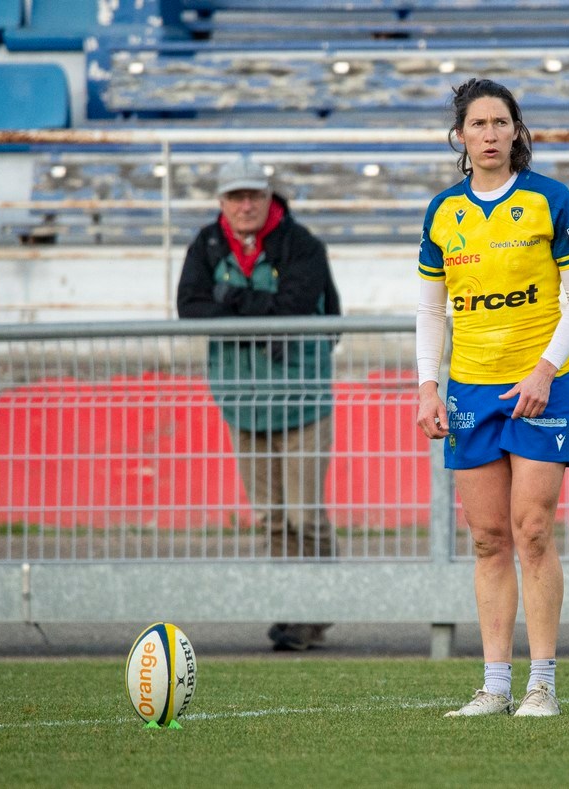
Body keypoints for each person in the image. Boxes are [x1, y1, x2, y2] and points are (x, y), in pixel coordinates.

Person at [416, 78, 569, 717]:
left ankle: (541, 682)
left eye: (501, 123)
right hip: (470, 391)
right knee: (489, 537)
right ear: (460, 136)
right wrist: (427, 385)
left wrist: (546, 369)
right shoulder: (444, 212)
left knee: (534, 531)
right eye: (477, 124)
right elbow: (431, 310)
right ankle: (495, 687)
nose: (490, 134)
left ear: (517, 131)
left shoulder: (551, 199)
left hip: (543, 387)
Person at [176, 155, 343, 649]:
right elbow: (190, 308)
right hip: (242, 401)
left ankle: (322, 607)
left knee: (305, 514)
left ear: (268, 197)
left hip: (302, 399)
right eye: (235, 196)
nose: (245, 204)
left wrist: (230, 300)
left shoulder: (302, 243)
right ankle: (291, 609)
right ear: (222, 202)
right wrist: (252, 313)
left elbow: (297, 307)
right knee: (271, 516)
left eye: (253, 195)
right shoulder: (206, 244)